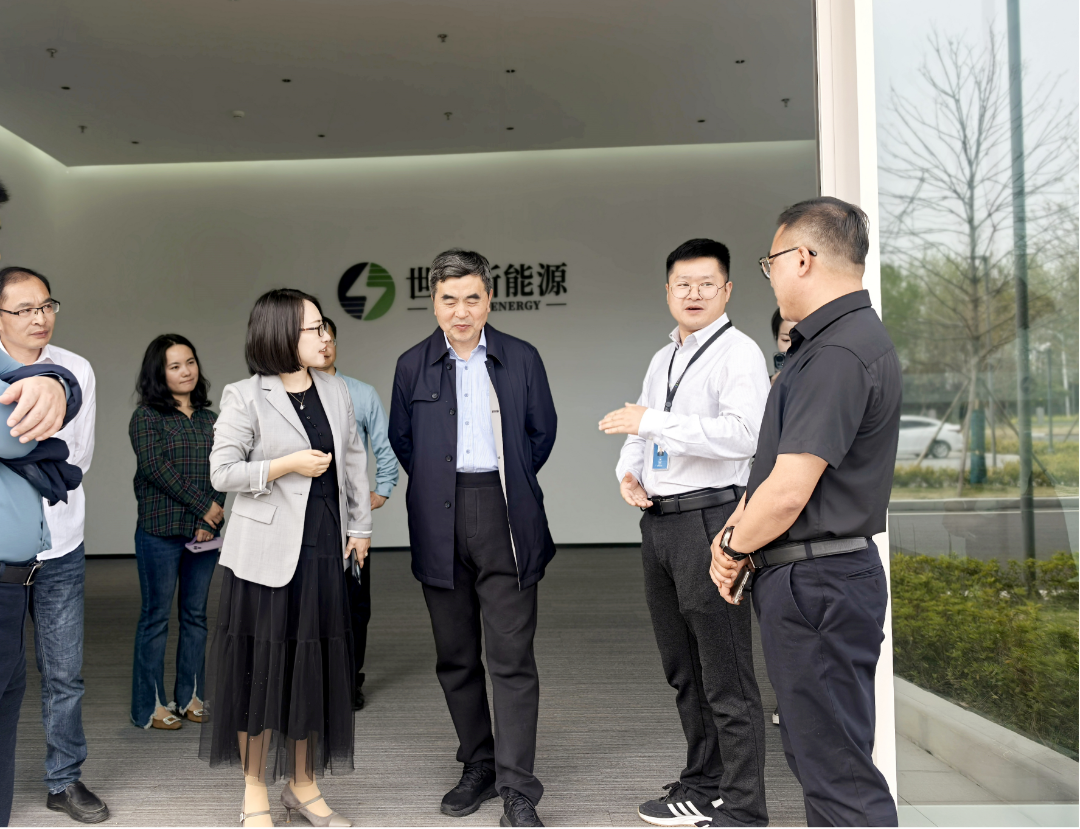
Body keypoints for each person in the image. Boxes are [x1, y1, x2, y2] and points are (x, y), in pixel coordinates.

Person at [710, 197, 901, 828]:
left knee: (838, 777)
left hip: (818, 583)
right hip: (819, 580)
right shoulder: (833, 344)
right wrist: (738, 530)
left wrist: (732, 547)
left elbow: (791, 489)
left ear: (803, 258)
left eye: (771, 263)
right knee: (822, 759)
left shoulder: (838, 352)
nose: (772, 277)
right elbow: (778, 468)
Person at [600, 239, 770, 828]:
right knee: (684, 669)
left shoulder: (739, 353)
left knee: (726, 673)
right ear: (668, 291)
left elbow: (744, 434)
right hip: (661, 523)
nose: (693, 294)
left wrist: (651, 421)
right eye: (683, 284)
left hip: (711, 521)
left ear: (727, 290)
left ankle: (744, 808)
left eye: (706, 284)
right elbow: (640, 429)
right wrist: (629, 471)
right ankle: (704, 782)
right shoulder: (663, 356)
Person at [389, 249, 557, 829]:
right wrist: (442, 486)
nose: (460, 312)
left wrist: (503, 484)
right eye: (448, 300)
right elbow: (404, 441)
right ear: (433, 303)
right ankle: (479, 763)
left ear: (489, 299)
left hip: (505, 511)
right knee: (456, 655)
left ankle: (518, 789)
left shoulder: (521, 357)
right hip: (438, 516)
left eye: (472, 299)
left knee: (512, 657)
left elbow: (540, 434)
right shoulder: (412, 365)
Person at [203, 289, 372, 829]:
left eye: (324, 326)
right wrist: (285, 464)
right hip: (263, 557)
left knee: (312, 671)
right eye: (314, 328)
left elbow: (353, 460)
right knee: (258, 673)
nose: (325, 336)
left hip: (324, 548)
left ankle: (303, 786)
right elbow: (222, 472)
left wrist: (361, 526)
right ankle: (254, 790)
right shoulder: (244, 395)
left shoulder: (336, 389)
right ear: (280, 334)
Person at [0, 266, 106, 825]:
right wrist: (40, 450)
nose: (39, 318)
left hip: (62, 542)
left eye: (46, 306)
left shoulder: (74, 368)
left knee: (64, 671)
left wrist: (17, 451)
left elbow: (76, 459)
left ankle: (64, 780)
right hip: (3, 551)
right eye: (23, 309)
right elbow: (51, 453)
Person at [128, 334, 225, 732]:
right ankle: (148, 706)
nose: (186, 371)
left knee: (196, 616)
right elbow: (155, 469)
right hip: (160, 531)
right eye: (174, 366)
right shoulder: (147, 417)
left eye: (190, 362)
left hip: (205, 533)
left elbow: (225, 468)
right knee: (155, 618)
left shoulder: (210, 419)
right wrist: (203, 506)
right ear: (159, 372)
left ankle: (190, 697)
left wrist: (208, 519)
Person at [316, 316, 399, 711]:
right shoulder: (289, 394)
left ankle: (349, 679)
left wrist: (382, 488)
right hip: (309, 518)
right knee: (311, 604)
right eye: (317, 337)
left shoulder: (361, 393)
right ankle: (314, 680)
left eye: (330, 338)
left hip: (351, 521)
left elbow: (384, 445)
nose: (324, 345)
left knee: (354, 605)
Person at [770, 308, 795, 386]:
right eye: (786, 340)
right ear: (776, 338)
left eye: (801, 340)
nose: (791, 347)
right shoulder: (765, 384)